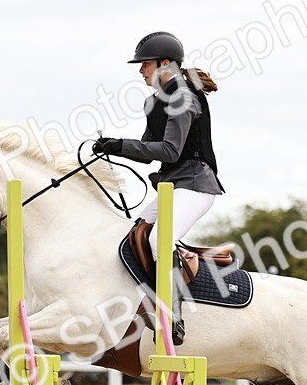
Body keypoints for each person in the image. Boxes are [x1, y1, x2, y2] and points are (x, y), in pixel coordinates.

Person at [92, 31, 223, 344]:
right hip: (173, 186)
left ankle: (172, 315)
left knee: (157, 239)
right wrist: (113, 147)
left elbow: (170, 151)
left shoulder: (183, 96)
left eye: (145, 64)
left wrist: (120, 144)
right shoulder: (156, 101)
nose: (141, 70)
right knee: (132, 235)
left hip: (196, 184)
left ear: (165, 64)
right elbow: (149, 152)